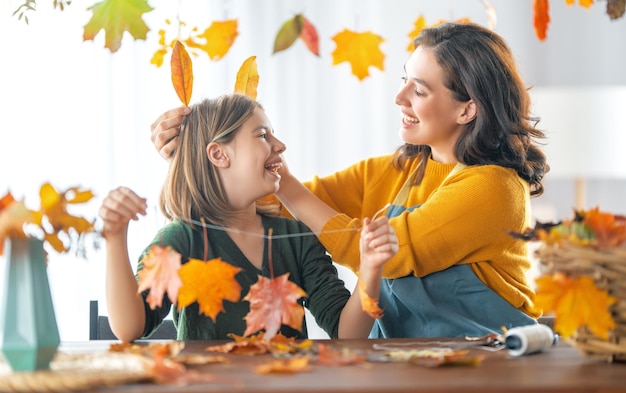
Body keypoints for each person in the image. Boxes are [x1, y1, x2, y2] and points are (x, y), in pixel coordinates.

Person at [150, 22, 550, 338]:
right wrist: (199, 161)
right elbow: (271, 204)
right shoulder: (399, 170)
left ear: (467, 110)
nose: (400, 98)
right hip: (409, 366)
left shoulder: (494, 189)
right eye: (404, 79)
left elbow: (387, 257)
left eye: (420, 90)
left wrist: (282, 181)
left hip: (493, 367)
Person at [99, 93, 398, 342]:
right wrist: (115, 236)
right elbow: (129, 328)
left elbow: (349, 334)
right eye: (263, 135)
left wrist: (369, 270)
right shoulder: (180, 241)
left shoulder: (296, 239)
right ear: (218, 155)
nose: (280, 146)